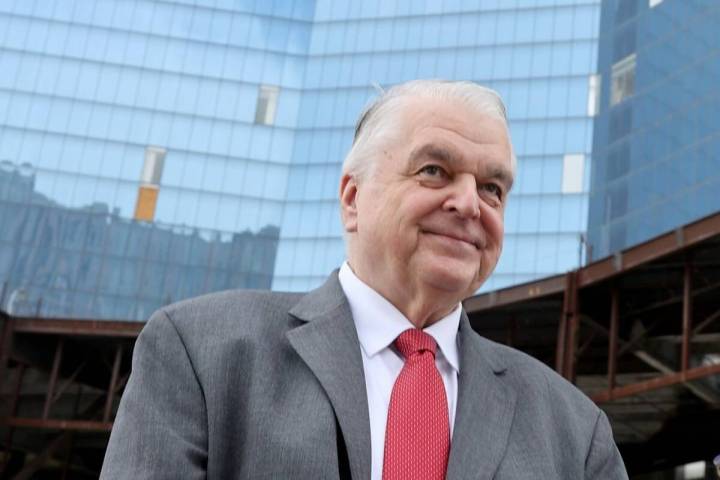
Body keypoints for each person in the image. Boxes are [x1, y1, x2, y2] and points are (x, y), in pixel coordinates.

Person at [101, 80, 628, 479]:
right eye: (434, 171)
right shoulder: (201, 351)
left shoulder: (577, 433)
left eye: (492, 188)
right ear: (353, 198)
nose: (469, 203)